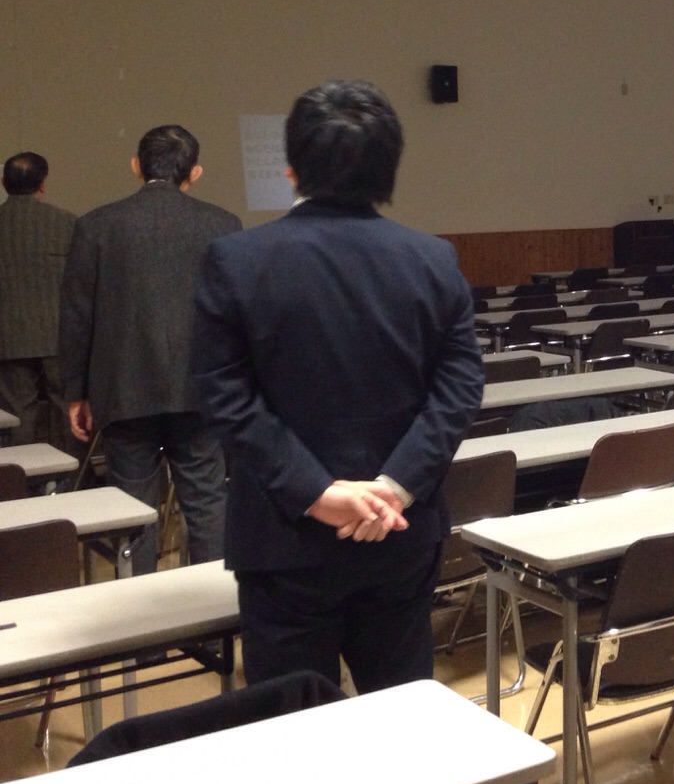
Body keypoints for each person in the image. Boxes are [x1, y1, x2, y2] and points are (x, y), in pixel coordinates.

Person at [191, 80, 481, 692]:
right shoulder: (433, 259)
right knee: (400, 713)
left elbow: (224, 395)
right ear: (389, 171)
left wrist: (316, 492)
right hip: (400, 532)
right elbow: (458, 389)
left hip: (285, 536)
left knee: (294, 725)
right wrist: (395, 488)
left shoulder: (237, 260)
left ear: (292, 170)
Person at [58, 127, 238, 573]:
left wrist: (76, 392)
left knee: (133, 506)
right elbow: (235, 313)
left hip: (123, 388)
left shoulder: (96, 225)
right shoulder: (223, 224)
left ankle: (141, 607)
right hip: (201, 389)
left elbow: (78, 316)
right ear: (194, 172)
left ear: (136, 167)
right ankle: (213, 603)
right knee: (208, 502)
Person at [0, 152, 77, 449]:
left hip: (8, 337)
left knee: (17, 415)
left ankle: (21, 475)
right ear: (42, 184)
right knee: (66, 410)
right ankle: (70, 473)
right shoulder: (66, 223)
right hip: (59, 335)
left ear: (4, 182)